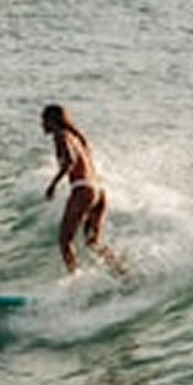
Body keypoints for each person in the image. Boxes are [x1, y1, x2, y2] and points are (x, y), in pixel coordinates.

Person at [41, 103, 127, 277]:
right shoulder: (77, 137)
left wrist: (53, 185)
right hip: (98, 191)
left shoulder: (60, 135)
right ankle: (122, 273)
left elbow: (70, 162)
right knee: (92, 242)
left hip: (83, 190)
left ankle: (74, 279)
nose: (41, 124)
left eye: (43, 120)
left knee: (65, 241)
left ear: (51, 120)